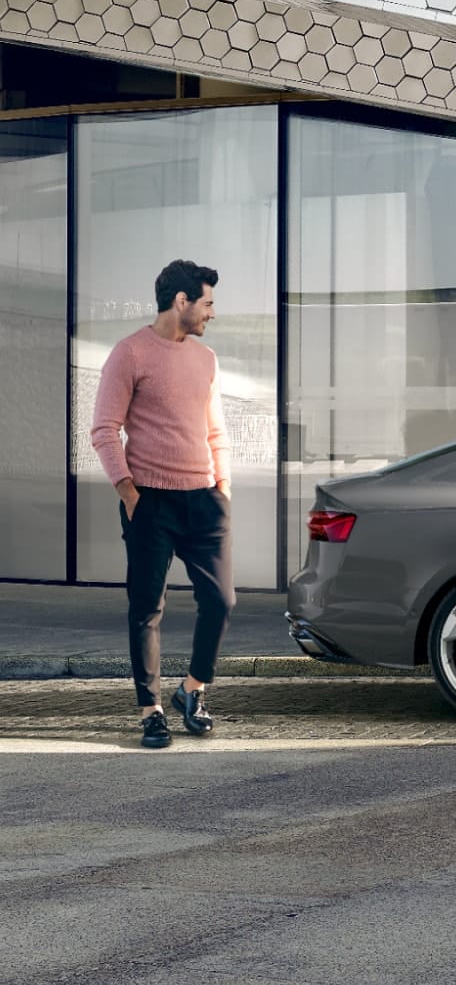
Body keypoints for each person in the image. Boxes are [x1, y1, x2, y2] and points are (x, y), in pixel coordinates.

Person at [90, 259, 235, 749]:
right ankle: (150, 709)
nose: (211, 313)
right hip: (150, 500)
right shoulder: (129, 354)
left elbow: (215, 431)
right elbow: (104, 429)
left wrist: (223, 486)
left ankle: (192, 690)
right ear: (182, 301)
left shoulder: (206, 359)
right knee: (147, 607)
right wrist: (128, 491)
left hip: (203, 500)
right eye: (207, 302)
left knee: (220, 600)